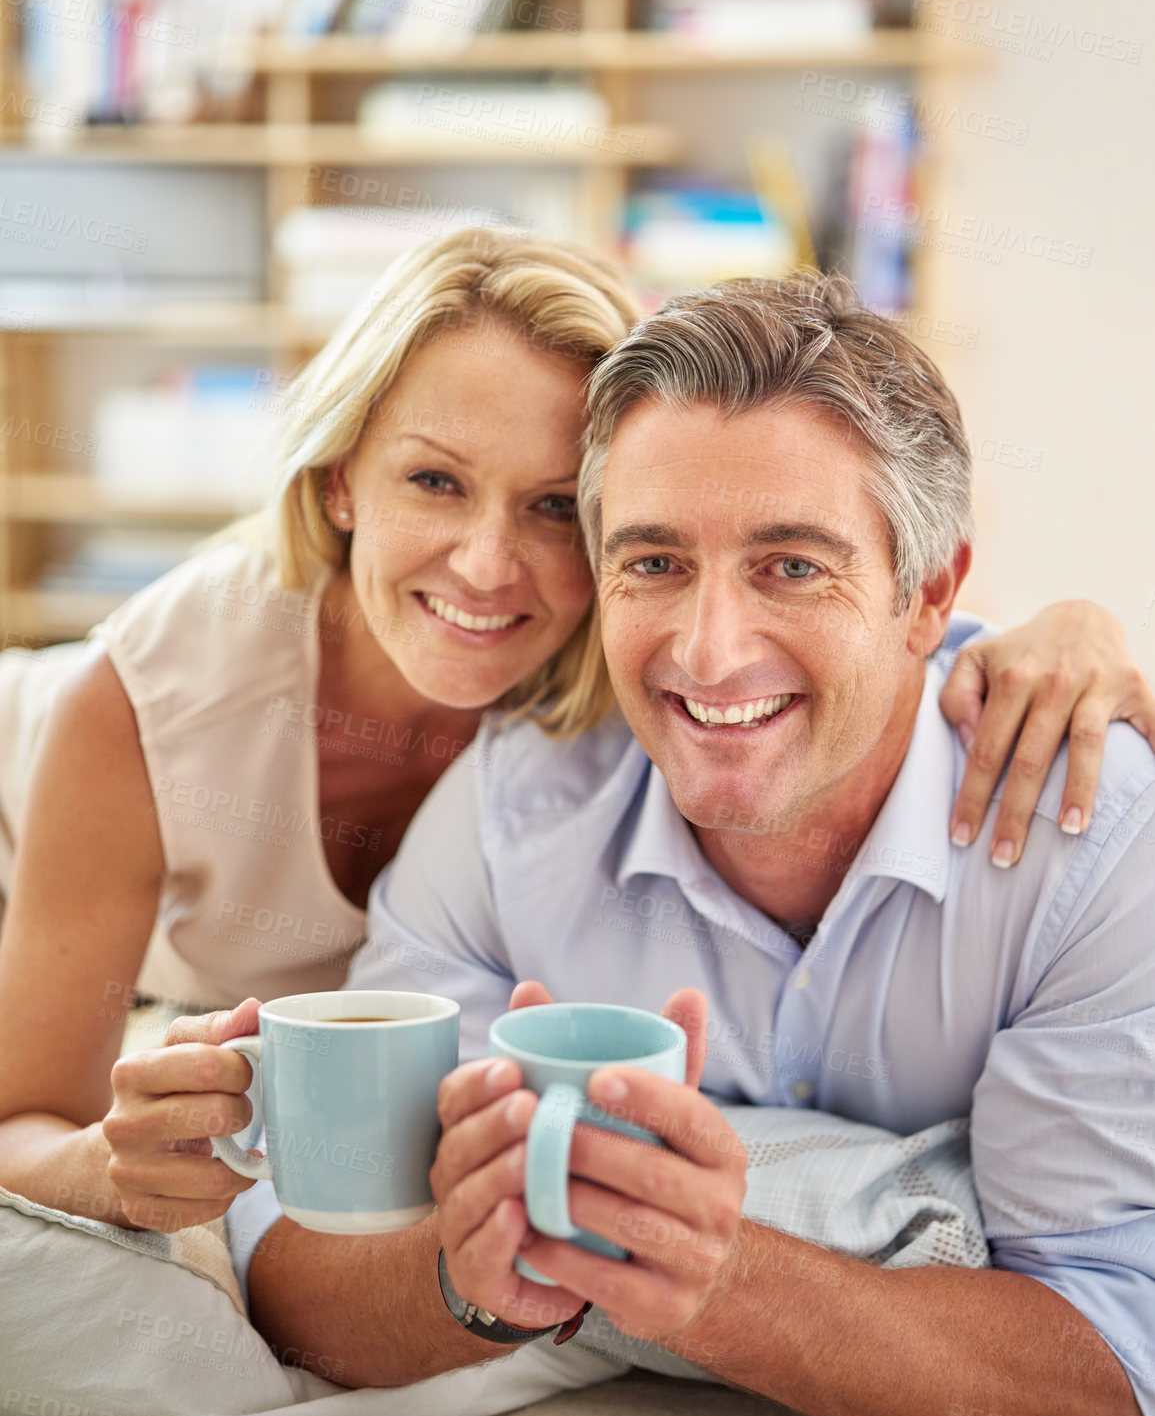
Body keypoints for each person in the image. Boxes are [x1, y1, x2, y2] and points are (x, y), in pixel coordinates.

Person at [193, 273, 1154, 1416]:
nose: (708, 651)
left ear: (931, 595)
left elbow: (1104, 1379)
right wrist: (472, 1283)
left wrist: (707, 1276)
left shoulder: (1094, 836)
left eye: (792, 567)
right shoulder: (513, 808)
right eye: (652, 563)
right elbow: (295, 1253)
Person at [9, 222, 1145, 1239]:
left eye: (555, 506)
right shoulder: (140, 707)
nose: (488, 565)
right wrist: (115, 1174)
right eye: (435, 481)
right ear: (342, 476)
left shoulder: (627, 651)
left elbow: (860, 618)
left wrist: (1078, 631)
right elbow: (22, 1115)